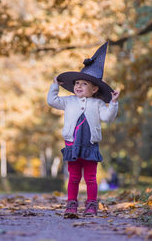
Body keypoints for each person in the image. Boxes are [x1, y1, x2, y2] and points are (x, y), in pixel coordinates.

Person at [47, 42, 120, 217]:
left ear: (94, 89)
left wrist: (114, 103)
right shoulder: (69, 101)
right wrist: (54, 85)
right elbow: (52, 101)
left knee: (90, 178)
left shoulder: (98, 103)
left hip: (90, 145)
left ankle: (91, 205)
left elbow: (108, 117)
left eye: (84, 84)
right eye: (77, 83)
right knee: (73, 177)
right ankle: (71, 204)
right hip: (72, 144)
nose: (78, 86)